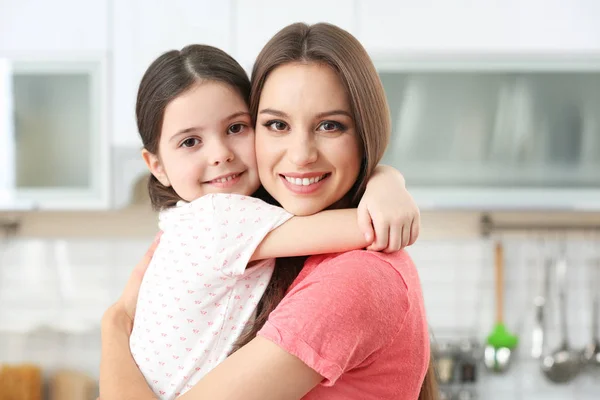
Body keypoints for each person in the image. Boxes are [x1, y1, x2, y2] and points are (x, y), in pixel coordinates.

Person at [100, 22, 435, 400]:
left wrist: (114, 325)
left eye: (330, 125)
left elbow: (372, 225)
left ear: (367, 132)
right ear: (156, 163)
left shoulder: (355, 276)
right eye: (277, 124)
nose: (301, 154)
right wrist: (386, 179)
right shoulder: (222, 225)